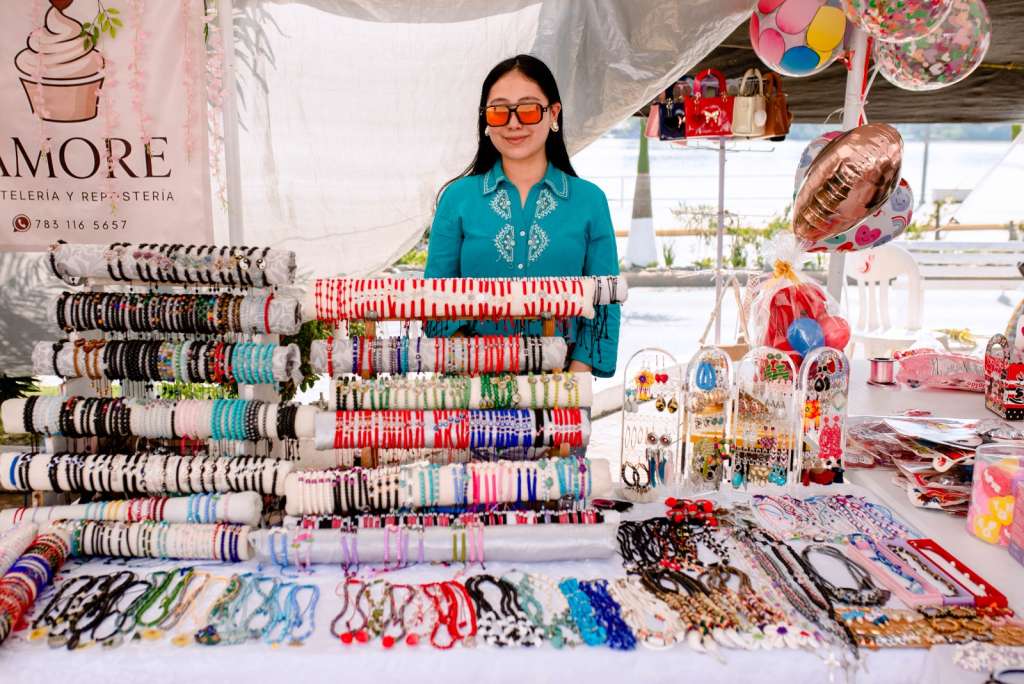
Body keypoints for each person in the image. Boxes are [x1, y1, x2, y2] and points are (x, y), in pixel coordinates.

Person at [424, 54, 621, 378]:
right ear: (486, 120)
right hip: (469, 388)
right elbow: (434, 298)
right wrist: (473, 374)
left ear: (553, 113)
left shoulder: (590, 201)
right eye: (499, 111)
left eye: (528, 109)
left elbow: (605, 301)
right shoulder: (456, 200)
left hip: (562, 389)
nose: (513, 123)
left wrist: (573, 381)